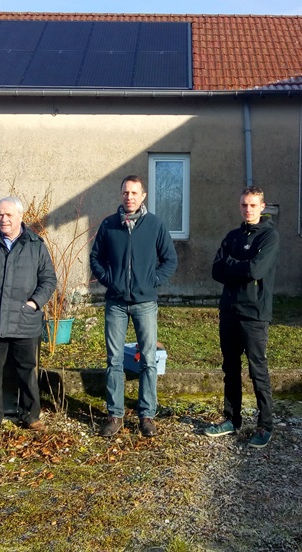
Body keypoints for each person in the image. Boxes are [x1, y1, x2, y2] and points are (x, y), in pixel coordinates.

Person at [89, 175, 178, 438]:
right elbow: (96, 258)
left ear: (143, 196)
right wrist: (109, 281)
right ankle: (115, 416)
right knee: (114, 360)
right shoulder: (109, 225)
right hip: (116, 302)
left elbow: (169, 260)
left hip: (145, 303)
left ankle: (147, 415)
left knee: (148, 360)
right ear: (121, 195)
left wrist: (152, 282)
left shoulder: (155, 225)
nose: (130, 197)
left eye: (134, 193)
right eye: (126, 192)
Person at [0, 196, 57, 438]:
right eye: (0, 215)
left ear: (20, 217)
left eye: (8, 215)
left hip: (26, 321)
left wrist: (34, 303)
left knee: (28, 370)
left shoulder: (36, 245)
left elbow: (48, 279)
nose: (3, 219)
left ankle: (30, 416)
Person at [205, 185, 279, 448]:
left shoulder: (269, 238)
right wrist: (241, 266)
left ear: (262, 206)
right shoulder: (233, 236)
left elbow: (256, 270)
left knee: (257, 369)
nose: (248, 209)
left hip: (254, 315)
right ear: (240, 206)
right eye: (244, 205)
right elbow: (216, 270)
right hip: (229, 311)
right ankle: (231, 419)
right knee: (230, 367)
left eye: (253, 205)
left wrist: (233, 265)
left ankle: (265, 424)